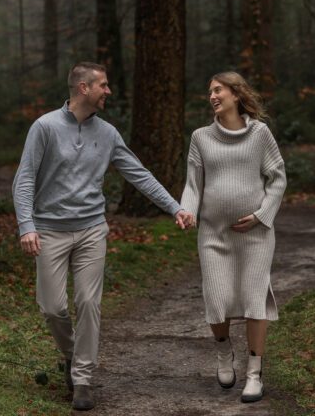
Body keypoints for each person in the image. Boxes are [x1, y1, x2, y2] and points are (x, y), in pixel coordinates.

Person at [12, 62, 193, 411]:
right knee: (52, 308)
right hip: (49, 230)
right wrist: (27, 225)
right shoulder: (44, 127)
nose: (108, 91)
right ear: (83, 87)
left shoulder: (108, 133)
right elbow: (24, 179)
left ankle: (82, 379)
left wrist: (175, 207)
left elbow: (138, 174)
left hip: (92, 229)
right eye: (103, 85)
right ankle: (73, 354)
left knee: (89, 303)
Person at [180, 71, 287, 403]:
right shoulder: (201, 137)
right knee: (217, 298)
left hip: (255, 234)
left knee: (255, 297)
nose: (212, 96)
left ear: (236, 95)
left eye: (218, 90)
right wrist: (187, 210)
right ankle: (224, 350)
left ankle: (254, 373)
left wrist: (260, 215)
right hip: (214, 233)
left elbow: (278, 178)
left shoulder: (260, 134)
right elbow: (193, 184)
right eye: (209, 92)